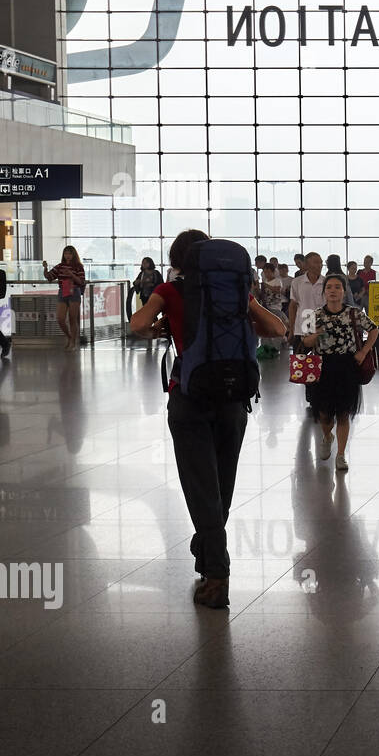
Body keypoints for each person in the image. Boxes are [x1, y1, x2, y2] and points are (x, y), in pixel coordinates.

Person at [128, 229, 286, 609]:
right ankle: (206, 553)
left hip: (190, 397)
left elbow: (136, 325)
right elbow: (278, 329)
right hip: (234, 398)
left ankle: (216, 574)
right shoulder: (233, 292)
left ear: (178, 261)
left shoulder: (169, 291)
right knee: (221, 484)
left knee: (200, 487)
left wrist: (159, 326)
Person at [299, 273, 377, 472]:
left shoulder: (354, 313)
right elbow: (305, 342)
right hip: (322, 368)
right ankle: (327, 436)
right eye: (329, 287)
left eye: (337, 287)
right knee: (324, 413)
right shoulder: (313, 315)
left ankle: (341, 455)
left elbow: (374, 330)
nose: (333, 291)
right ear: (324, 292)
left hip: (346, 366)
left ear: (343, 291)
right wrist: (316, 334)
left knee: (343, 413)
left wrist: (363, 351)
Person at [43, 246, 85, 351]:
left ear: (74, 255)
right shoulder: (60, 266)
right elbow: (49, 277)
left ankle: (73, 342)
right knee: (60, 318)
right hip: (63, 291)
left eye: (70, 254)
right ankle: (69, 336)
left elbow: (81, 281)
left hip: (74, 291)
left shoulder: (78, 266)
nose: (68, 256)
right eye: (66, 253)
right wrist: (45, 268)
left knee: (72, 319)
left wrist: (71, 275)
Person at [288, 252, 325, 344]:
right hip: (301, 329)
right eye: (316, 262)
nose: (319, 265)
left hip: (322, 329)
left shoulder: (326, 282)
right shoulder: (297, 282)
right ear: (307, 265)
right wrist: (291, 329)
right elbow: (293, 306)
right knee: (300, 357)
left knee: (322, 358)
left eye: (321, 262)